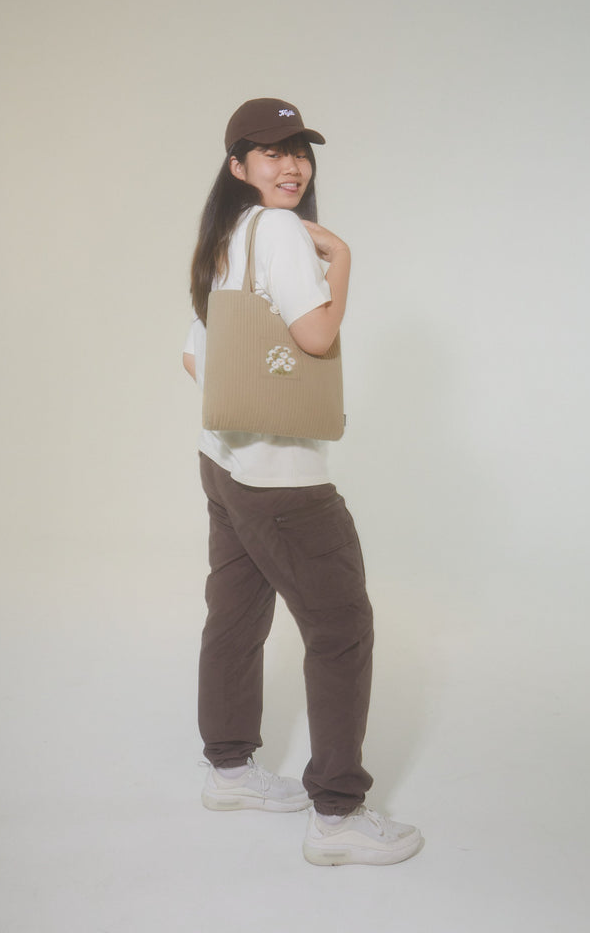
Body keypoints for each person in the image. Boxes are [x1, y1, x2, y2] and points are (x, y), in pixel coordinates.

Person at [183, 97, 422, 866]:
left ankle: (228, 772)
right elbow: (316, 336)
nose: (291, 166)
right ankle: (338, 816)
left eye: (300, 151)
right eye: (271, 151)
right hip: (282, 478)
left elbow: (193, 358)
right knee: (341, 629)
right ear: (238, 165)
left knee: (235, 615)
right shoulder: (282, 231)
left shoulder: (223, 238)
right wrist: (341, 258)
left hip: (223, 461)